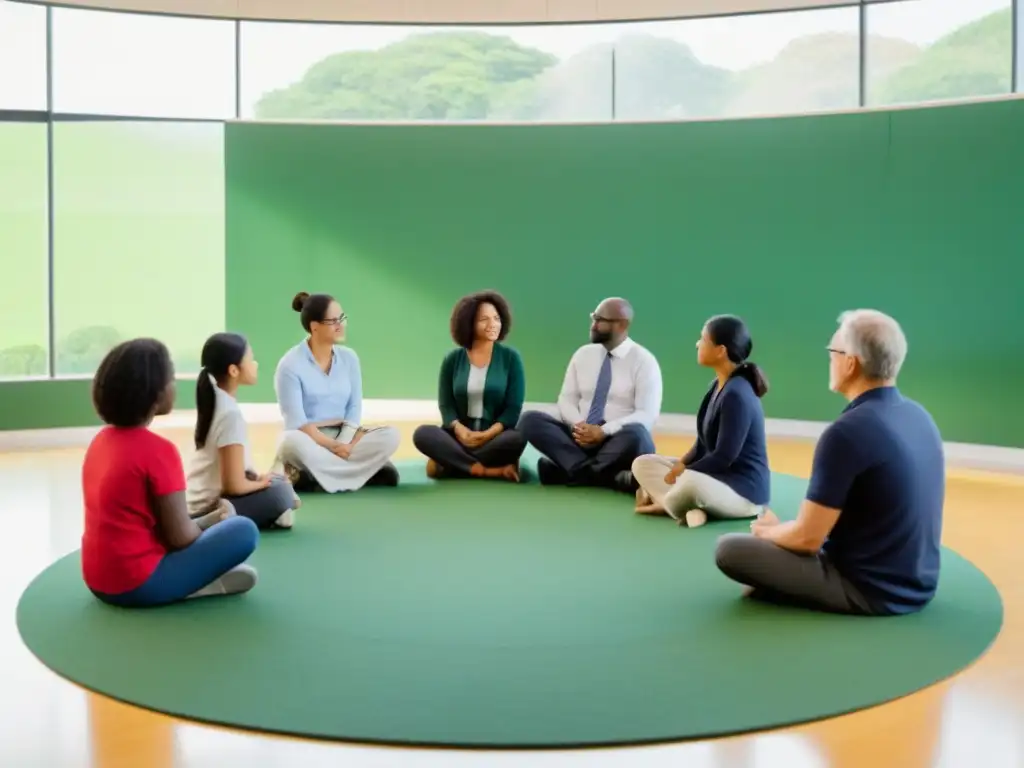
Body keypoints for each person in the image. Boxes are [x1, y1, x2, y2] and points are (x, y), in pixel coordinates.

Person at [715, 309, 945, 616]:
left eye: (833, 351)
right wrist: (786, 533)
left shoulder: (846, 432)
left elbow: (808, 539)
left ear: (850, 363)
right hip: (919, 583)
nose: (830, 359)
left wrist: (769, 534)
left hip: (870, 589)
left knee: (729, 549)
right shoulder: (919, 416)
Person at [81, 338, 259, 608]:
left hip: (96, 578)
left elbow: (152, 522)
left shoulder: (100, 441)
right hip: (136, 584)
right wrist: (214, 528)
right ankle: (193, 585)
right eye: (171, 379)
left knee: (222, 522)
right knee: (244, 530)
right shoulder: (159, 452)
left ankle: (192, 576)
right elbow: (180, 538)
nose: (174, 385)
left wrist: (207, 522)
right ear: (155, 393)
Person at [633, 315, 771, 527]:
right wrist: (680, 464)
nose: (697, 344)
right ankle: (689, 509)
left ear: (720, 350)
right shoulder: (715, 386)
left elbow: (724, 457)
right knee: (643, 464)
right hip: (713, 482)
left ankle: (669, 504)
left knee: (689, 483)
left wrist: (685, 473)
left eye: (703, 339)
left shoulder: (737, 394)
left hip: (743, 493)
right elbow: (701, 445)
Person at [518, 297, 662, 492]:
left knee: (637, 435)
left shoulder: (644, 361)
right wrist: (579, 426)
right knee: (529, 420)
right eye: (593, 318)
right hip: (579, 438)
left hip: (616, 442)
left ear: (622, 325)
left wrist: (604, 431)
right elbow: (566, 399)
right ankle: (611, 478)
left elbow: (646, 415)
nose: (593, 326)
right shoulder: (583, 355)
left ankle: (567, 472)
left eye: (600, 320)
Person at [274, 291, 401, 492]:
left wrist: (344, 443)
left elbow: (354, 407)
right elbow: (297, 423)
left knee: (391, 435)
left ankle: (315, 477)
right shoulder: (289, 365)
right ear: (314, 327)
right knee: (289, 443)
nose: (341, 325)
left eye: (342, 318)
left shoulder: (350, 358)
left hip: (346, 436)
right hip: (310, 439)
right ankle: (363, 474)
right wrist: (332, 447)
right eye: (333, 321)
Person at [186, 332, 300, 530]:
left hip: (201, 502)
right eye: (250, 359)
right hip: (209, 507)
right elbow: (233, 485)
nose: (255, 364)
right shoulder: (230, 414)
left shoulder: (218, 402)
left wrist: (260, 480)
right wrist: (262, 484)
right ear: (233, 370)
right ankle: (217, 520)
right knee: (281, 493)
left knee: (278, 482)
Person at [413, 291, 527, 481]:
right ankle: (486, 470)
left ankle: (452, 464)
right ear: (469, 324)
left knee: (518, 437)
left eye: (496, 318)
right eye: (484, 319)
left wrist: (487, 435)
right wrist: (460, 430)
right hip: (458, 438)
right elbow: (446, 405)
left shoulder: (511, 358)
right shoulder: (452, 359)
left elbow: (513, 408)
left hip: (494, 438)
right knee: (423, 434)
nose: (493, 325)